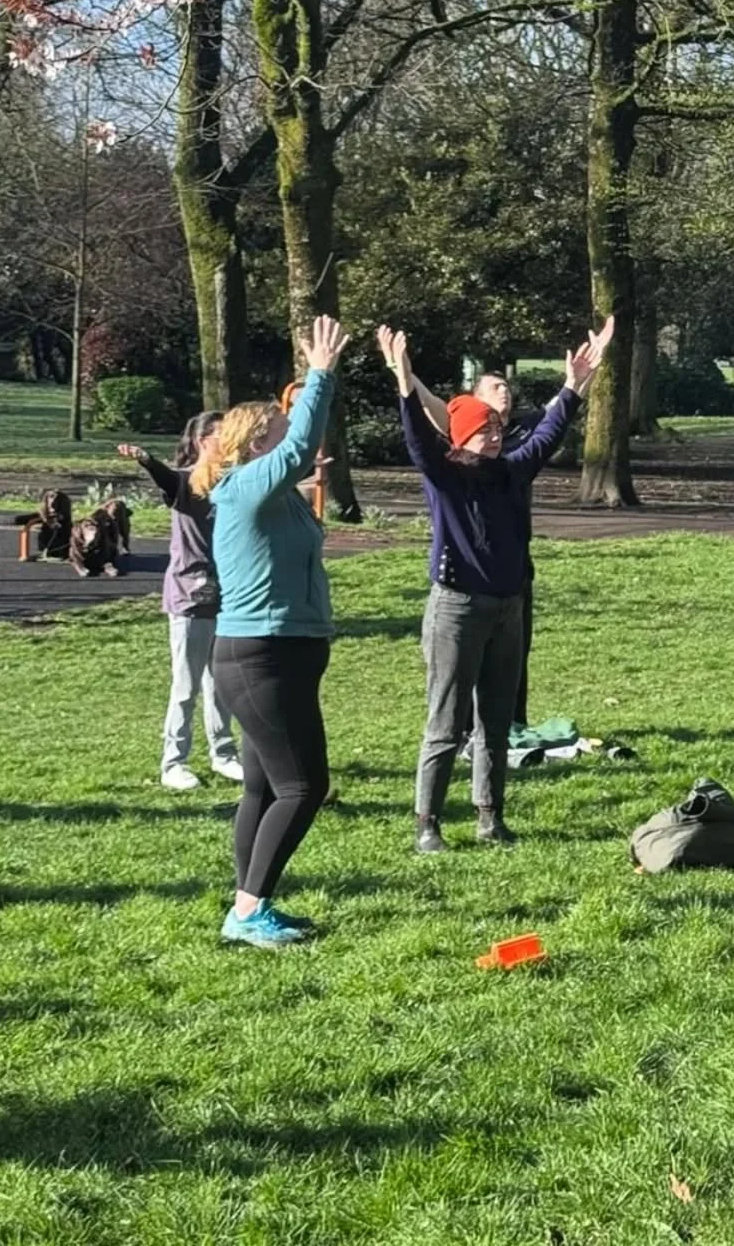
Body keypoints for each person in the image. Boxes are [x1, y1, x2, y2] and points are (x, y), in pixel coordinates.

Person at [379, 319, 612, 854]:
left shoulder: (511, 471)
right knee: (445, 723)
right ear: (461, 437)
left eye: (497, 428)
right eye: (484, 429)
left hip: (507, 607)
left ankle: (490, 817)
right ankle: (428, 825)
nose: (496, 433)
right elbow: (417, 439)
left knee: (496, 721)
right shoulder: (445, 477)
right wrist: (403, 380)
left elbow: (551, 432)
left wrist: (575, 386)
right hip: (455, 610)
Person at [192, 314, 349, 948]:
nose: (301, 448)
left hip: (277, 656)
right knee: (304, 786)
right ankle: (249, 910)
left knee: (262, 786)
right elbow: (297, 442)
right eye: (282, 437)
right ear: (257, 443)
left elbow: (294, 467)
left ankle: (249, 904)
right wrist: (321, 376)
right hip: (261, 658)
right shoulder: (247, 483)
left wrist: (303, 486)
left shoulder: (268, 491)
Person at [398, 364, 554, 727]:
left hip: (513, 572)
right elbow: (431, 416)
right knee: (461, 669)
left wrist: (579, 381)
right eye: (496, 387)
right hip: (464, 584)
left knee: (512, 658)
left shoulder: (521, 433)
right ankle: (462, 729)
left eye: (507, 387)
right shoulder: (455, 452)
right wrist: (406, 374)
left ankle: (511, 726)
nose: (506, 392)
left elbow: (556, 416)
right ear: (473, 402)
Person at [117, 414, 244, 791]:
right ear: (204, 440)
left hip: (228, 594)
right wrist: (148, 461)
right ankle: (174, 763)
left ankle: (224, 755)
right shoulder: (188, 481)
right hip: (191, 595)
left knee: (221, 683)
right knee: (186, 685)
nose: (231, 440)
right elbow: (168, 479)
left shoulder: (234, 480)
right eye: (224, 434)